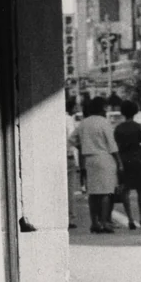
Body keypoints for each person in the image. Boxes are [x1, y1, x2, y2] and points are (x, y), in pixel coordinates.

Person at [70, 96, 122, 234]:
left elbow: (72, 139)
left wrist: (83, 146)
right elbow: (112, 145)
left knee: (93, 192)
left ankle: (94, 222)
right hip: (105, 158)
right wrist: (119, 162)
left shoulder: (83, 123)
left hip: (89, 159)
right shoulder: (104, 123)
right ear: (102, 108)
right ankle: (105, 222)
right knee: (106, 192)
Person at [113, 100, 141, 231]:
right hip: (137, 161)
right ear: (136, 111)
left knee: (125, 191)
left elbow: (115, 146)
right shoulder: (140, 128)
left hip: (123, 161)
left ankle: (130, 219)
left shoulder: (118, 128)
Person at [66, 94, 79, 230]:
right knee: (70, 189)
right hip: (68, 157)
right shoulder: (69, 120)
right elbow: (72, 140)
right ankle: (70, 218)